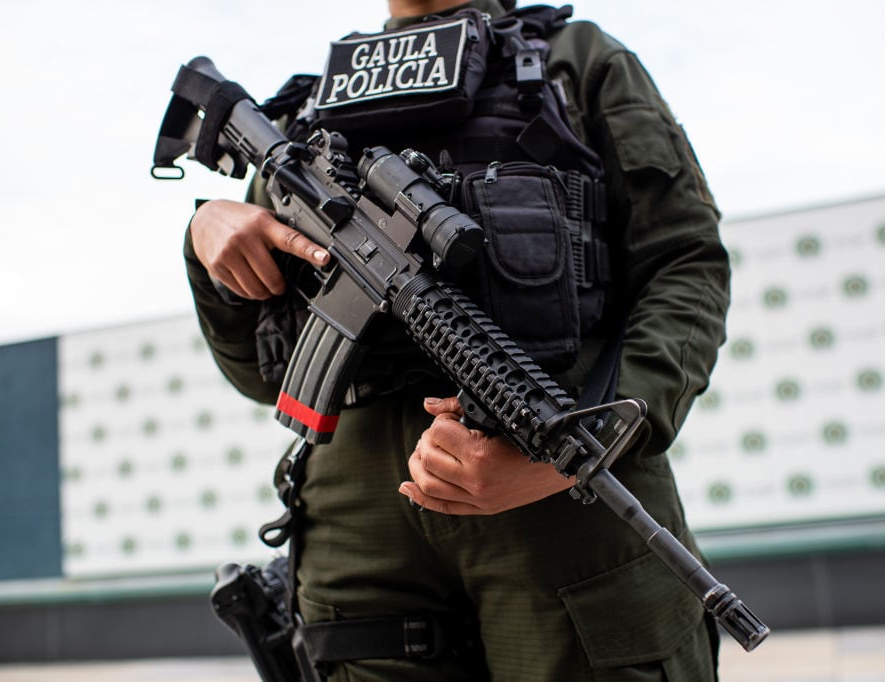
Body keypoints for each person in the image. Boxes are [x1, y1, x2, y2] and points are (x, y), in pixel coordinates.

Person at [184, 0, 730, 679]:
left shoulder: (575, 60)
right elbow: (261, 373)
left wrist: (578, 450)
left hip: (566, 497)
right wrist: (209, 241)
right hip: (357, 525)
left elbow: (684, 265)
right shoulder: (314, 108)